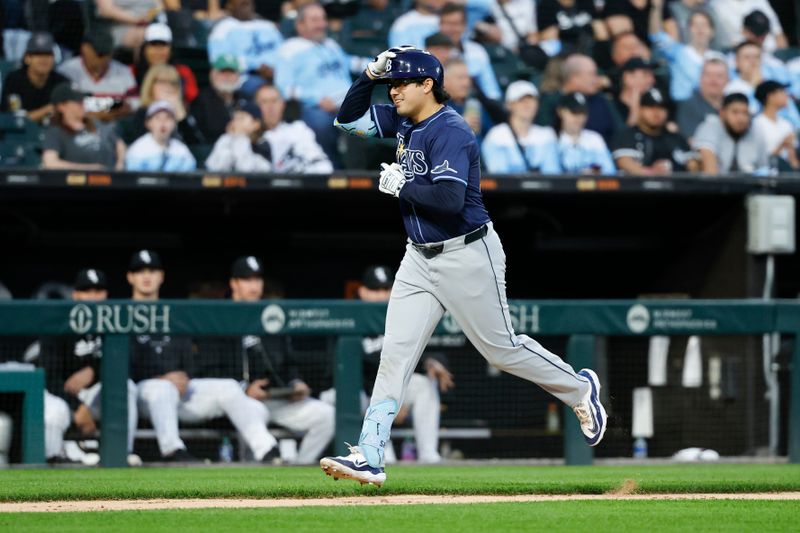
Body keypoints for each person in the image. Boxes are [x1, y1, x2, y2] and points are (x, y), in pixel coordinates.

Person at [320, 47, 607, 486]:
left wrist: (403, 186)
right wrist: (366, 75)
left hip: (467, 253)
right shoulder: (403, 119)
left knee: (502, 350)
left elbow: (451, 201)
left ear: (426, 85)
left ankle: (579, 389)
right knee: (394, 354)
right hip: (418, 256)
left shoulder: (451, 129)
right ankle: (371, 455)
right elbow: (348, 120)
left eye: (400, 82)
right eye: (390, 83)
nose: (392, 89)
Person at [129, 249, 281, 463]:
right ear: (130, 277)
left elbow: (191, 363)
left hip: (179, 392)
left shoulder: (173, 314)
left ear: (161, 276)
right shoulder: (122, 314)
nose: (146, 276)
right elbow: (122, 370)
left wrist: (183, 376)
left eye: (152, 270)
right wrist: (162, 379)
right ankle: (172, 451)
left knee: (228, 386)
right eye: (140, 271)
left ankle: (267, 450)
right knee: (162, 389)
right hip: (142, 394)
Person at [196, 256, 335, 464]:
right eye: (247, 280)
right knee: (253, 411)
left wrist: (295, 383)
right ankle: (263, 471)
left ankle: (299, 468)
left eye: (257, 279)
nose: (254, 285)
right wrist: (244, 388)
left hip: (277, 398)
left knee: (327, 415)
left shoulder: (271, 315)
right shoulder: (218, 317)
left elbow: (288, 363)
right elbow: (208, 370)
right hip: (242, 400)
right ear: (234, 283)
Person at [320, 265, 453, 464]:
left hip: (388, 391)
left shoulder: (405, 315)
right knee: (359, 397)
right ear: (362, 292)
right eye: (375, 290)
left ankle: (429, 456)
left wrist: (431, 362)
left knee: (424, 385)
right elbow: (345, 372)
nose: (381, 295)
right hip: (353, 393)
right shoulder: (348, 317)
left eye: (386, 289)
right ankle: (379, 456)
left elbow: (425, 348)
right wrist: (392, 401)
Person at [37, 268, 141, 466]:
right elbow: (49, 374)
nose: (93, 296)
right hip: (61, 395)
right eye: (87, 291)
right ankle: (54, 461)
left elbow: (129, 367)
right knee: (53, 414)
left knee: (127, 387)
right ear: (75, 295)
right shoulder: (59, 325)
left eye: (98, 291)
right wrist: (76, 407)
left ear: (106, 295)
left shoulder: (116, 323)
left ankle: (122, 454)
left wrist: (93, 370)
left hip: (96, 396)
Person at [274, 2, 367, 167]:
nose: (321, 25)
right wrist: (317, 99)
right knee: (321, 123)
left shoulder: (330, 45)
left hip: (346, 102)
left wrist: (383, 65)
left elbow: (349, 62)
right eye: (315, 20)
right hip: (315, 107)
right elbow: (284, 87)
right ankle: (331, 170)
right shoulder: (289, 49)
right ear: (300, 24)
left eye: (323, 19)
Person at [207, 0, 284, 96]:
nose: (245, 1)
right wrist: (256, 67)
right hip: (245, 77)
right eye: (241, 2)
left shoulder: (268, 26)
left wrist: (275, 69)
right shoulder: (223, 28)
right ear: (229, 6)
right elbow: (220, 61)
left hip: (278, 74)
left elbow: (284, 53)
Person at [611, 87, 696, 175]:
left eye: (661, 108)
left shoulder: (676, 138)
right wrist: (651, 173)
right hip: (636, 187)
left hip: (677, 187)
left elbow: (694, 167)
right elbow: (624, 163)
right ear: (640, 109)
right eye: (650, 107)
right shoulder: (627, 135)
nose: (656, 113)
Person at [57, 29, 137, 122]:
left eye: (107, 53)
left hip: (116, 126)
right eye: (99, 54)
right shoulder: (66, 71)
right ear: (84, 48)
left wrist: (108, 115)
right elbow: (61, 108)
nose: (103, 59)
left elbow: (134, 106)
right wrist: (100, 115)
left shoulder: (124, 72)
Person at [481, 80, 560, 174]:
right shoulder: (496, 136)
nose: (527, 105)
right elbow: (498, 176)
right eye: (521, 101)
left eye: (531, 100)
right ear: (509, 105)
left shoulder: (546, 135)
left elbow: (552, 173)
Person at [42, 83, 126, 170]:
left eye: (83, 100)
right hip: (77, 180)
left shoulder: (96, 123)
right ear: (61, 106)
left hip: (111, 178)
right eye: (78, 101)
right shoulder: (55, 131)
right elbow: (50, 162)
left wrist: (120, 164)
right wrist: (89, 169)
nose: (83, 104)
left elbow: (119, 144)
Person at [253, 84, 333, 173]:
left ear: (282, 104)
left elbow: (322, 165)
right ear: (255, 106)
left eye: (274, 101)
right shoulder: (251, 137)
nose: (270, 107)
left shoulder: (298, 129)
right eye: (264, 102)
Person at [650, 9, 719, 101]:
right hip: (683, 106)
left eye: (704, 25)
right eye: (695, 25)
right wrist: (656, 7)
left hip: (710, 107)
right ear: (688, 30)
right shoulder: (677, 51)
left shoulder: (719, 58)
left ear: (712, 31)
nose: (700, 29)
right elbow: (656, 35)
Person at [692, 92, 768, 174]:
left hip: (749, 183)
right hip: (718, 183)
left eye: (745, 113)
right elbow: (707, 156)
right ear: (722, 113)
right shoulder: (710, 126)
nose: (741, 118)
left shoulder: (756, 132)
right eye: (735, 112)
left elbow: (764, 169)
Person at [437, 3, 501, 100]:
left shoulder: (477, 51)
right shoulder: (431, 52)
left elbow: (491, 91)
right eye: (447, 24)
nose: (451, 29)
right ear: (439, 25)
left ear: (464, 26)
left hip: (473, 106)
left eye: (455, 24)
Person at [0, 31, 68, 122]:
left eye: (48, 54)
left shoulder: (61, 82)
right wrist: (47, 110)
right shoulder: (14, 80)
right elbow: (14, 120)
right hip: (21, 134)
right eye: (38, 54)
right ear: (27, 58)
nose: (44, 59)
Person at [127, 64, 203, 145]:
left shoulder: (184, 111)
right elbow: (143, 145)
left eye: (173, 83)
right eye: (162, 82)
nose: (168, 87)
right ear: (150, 85)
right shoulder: (143, 112)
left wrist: (181, 114)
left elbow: (197, 147)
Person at [132, 23, 199, 104]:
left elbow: (192, 99)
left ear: (171, 49)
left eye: (163, 45)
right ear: (144, 49)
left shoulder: (183, 72)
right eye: (153, 45)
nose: (158, 51)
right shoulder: (132, 71)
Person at [125, 100, 197, 171]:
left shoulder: (181, 150)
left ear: (174, 124)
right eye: (158, 118)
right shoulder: (138, 150)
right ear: (148, 123)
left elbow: (188, 177)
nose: (163, 122)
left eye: (168, 118)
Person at [554, 92, 616, 174]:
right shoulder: (550, 138)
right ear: (560, 112)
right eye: (574, 113)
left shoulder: (594, 138)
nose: (579, 118)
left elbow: (610, 171)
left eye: (583, 113)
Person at [205, 99, 271, 172]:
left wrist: (241, 138)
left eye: (241, 118)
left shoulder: (262, 143)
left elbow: (245, 169)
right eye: (234, 118)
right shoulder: (226, 139)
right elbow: (213, 167)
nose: (236, 122)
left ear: (256, 124)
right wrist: (228, 138)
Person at [190, 55, 242, 142]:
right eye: (223, 72)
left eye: (231, 72)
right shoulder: (201, 101)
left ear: (238, 76)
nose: (227, 76)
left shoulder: (243, 99)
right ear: (212, 74)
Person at [675, 57, 728, 139]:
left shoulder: (732, 105)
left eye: (719, 76)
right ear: (700, 78)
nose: (713, 80)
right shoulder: (689, 105)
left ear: (728, 80)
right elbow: (691, 140)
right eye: (708, 75)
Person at [752, 80, 798, 170]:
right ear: (770, 96)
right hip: (766, 175)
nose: (786, 96)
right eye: (782, 92)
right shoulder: (757, 123)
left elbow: (792, 160)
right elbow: (758, 159)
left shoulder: (786, 124)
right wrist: (782, 145)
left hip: (787, 174)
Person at [708, 0, 787, 52]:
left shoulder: (761, 1)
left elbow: (779, 34)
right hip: (741, 55)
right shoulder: (716, 5)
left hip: (770, 53)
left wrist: (781, 57)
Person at [613, 57, 657, 127]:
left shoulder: (653, 104)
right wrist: (635, 110)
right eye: (645, 75)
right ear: (627, 78)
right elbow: (622, 136)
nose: (652, 80)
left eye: (652, 75)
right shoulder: (611, 107)